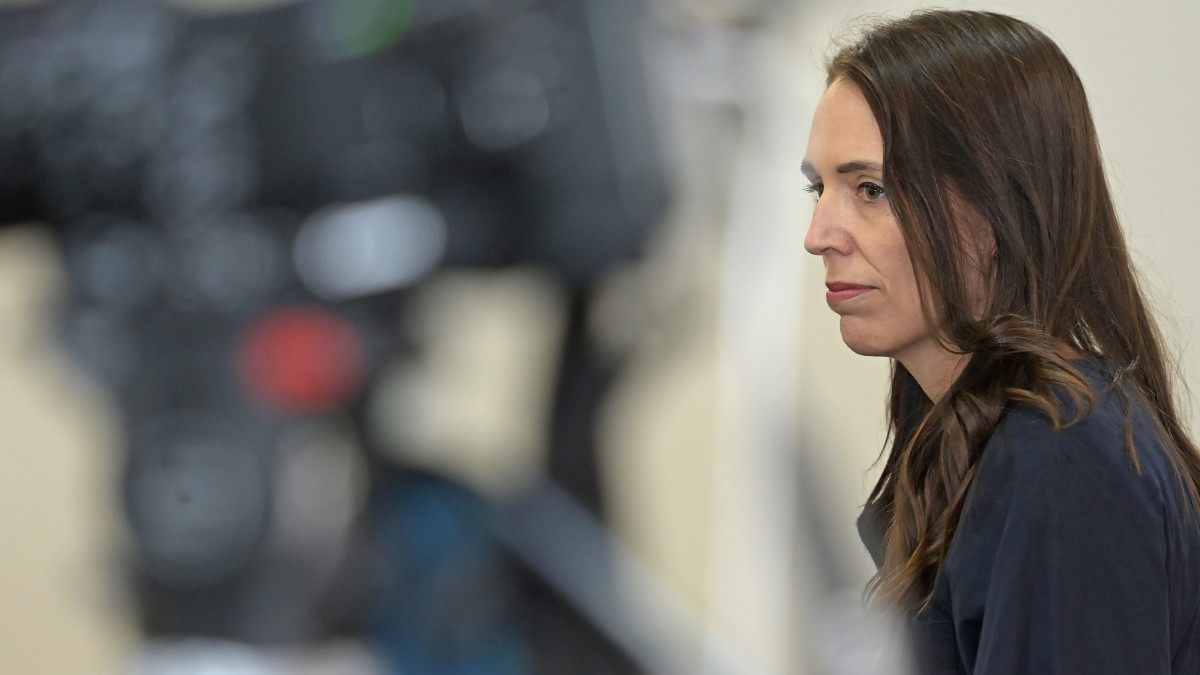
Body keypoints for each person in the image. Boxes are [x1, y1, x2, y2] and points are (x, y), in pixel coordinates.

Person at [801, 9, 1200, 674]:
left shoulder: (1066, 458)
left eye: (870, 188)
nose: (819, 233)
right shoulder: (975, 443)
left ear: (994, 206)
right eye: (819, 188)